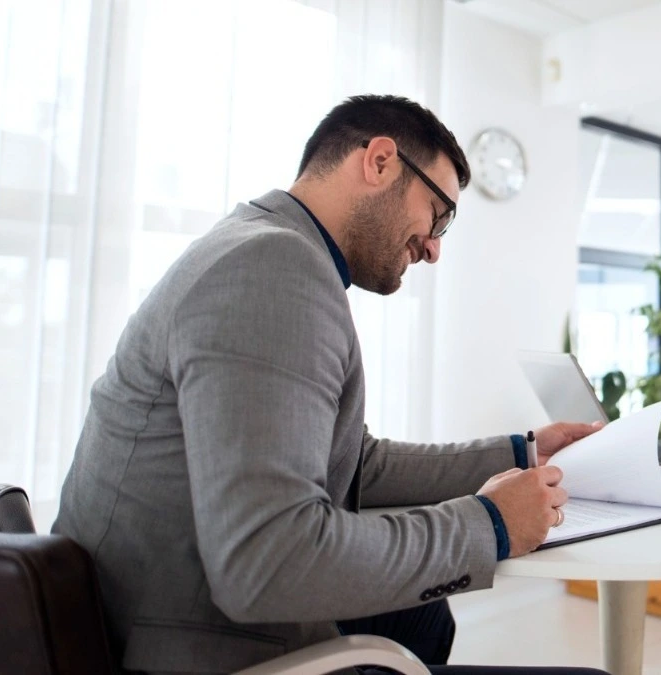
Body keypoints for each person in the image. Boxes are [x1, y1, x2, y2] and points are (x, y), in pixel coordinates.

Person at [52, 94, 608, 675]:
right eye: (438, 214)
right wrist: (489, 524)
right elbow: (266, 561)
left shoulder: (261, 244)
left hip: (152, 606)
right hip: (188, 643)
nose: (435, 248)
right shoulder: (271, 270)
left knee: (424, 618)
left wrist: (523, 452)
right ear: (380, 162)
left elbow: (354, 461)